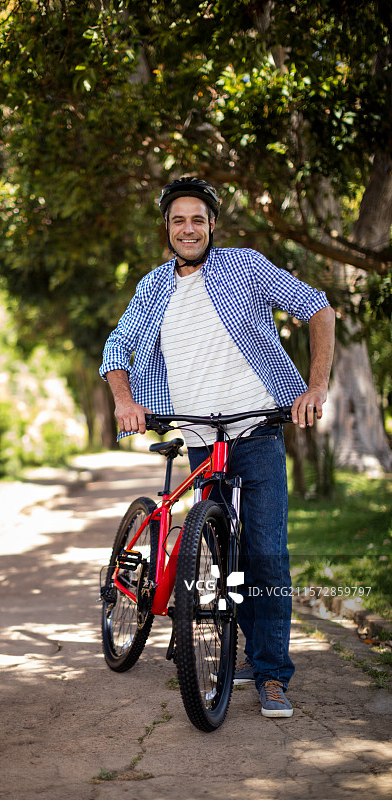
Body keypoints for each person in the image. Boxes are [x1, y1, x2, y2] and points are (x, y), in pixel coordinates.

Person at [99, 176, 335, 719]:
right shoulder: (152, 287)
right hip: (201, 438)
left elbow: (319, 310)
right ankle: (221, 640)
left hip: (256, 430)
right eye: (179, 220)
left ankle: (271, 674)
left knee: (266, 555)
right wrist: (124, 399)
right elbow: (119, 346)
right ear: (167, 228)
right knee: (219, 555)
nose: (189, 228)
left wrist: (316, 386)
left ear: (211, 226)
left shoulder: (244, 266)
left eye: (198, 219)